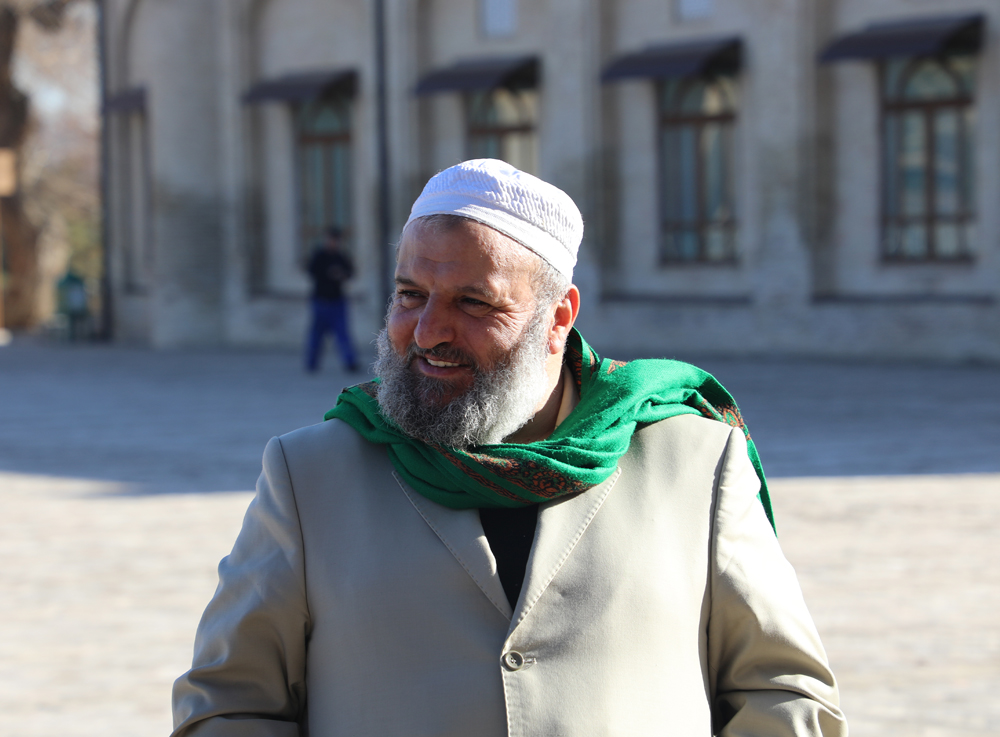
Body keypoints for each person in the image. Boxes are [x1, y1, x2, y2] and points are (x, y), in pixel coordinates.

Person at [172, 159, 847, 736]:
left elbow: (781, 690)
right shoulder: (309, 476)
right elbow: (230, 703)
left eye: (473, 303)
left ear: (558, 318)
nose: (428, 331)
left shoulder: (695, 463)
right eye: (410, 295)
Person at [305, 226, 357, 373]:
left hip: (337, 301)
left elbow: (350, 273)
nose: (332, 243)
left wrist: (340, 274)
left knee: (343, 334)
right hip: (321, 301)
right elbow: (312, 271)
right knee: (316, 334)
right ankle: (311, 363)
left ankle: (350, 362)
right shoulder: (319, 256)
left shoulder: (340, 256)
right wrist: (329, 273)